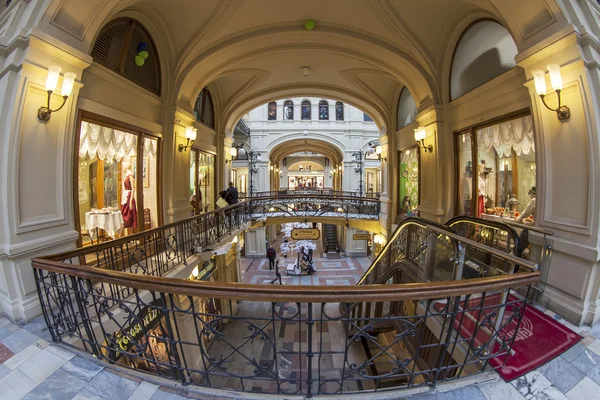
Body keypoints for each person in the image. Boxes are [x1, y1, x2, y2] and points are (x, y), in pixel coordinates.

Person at [516, 186, 536, 254]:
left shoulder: (534, 200)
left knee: (524, 233)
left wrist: (519, 220)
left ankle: (515, 253)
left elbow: (525, 213)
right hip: (540, 228)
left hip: (536, 229)